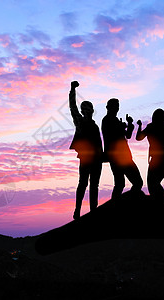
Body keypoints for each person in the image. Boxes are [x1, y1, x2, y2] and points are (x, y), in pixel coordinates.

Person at [69, 81, 103, 220]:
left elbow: (99, 143)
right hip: (86, 158)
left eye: (89, 109)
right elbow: (72, 107)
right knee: (83, 183)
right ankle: (77, 210)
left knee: (94, 185)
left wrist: (102, 156)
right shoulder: (80, 121)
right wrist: (72, 90)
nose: (87, 112)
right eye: (85, 109)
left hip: (96, 159)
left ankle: (93, 211)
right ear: (83, 111)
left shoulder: (94, 126)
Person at [102, 98, 143, 199]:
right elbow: (112, 135)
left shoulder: (115, 121)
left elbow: (128, 135)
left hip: (123, 156)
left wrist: (129, 125)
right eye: (115, 106)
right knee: (130, 183)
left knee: (122, 184)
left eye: (117, 106)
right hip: (117, 157)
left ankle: (122, 204)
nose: (116, 109)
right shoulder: (107, 120)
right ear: (108, 107)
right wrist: (122, 127)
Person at [135, 109, 164, 202]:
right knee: (154, 183)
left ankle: (159, 203)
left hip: (161, 159)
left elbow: (138, 137)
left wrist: (139, 126)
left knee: (153, 183)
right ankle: (159, 202)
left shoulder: (152, 127)